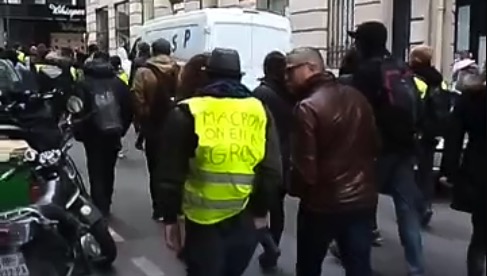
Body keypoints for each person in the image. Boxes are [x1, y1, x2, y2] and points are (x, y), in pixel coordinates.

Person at [155, 48, 281, 276]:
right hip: (245, 216)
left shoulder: (187, 111)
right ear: (239, 77)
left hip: (200, 221)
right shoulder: (259, 110)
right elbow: (272, 171)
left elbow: (169, 176)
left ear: (207, 75)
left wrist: (171, 219)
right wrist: (261, 210)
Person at [286, 47, 378, 276]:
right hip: (361, 200)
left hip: (321, 204)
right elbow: (375, 145)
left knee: (309, 266)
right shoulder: (358, 98)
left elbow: (305, 169)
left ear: (311, 68)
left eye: (290, 71)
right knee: (358, 266)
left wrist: (294, 188)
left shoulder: (307, 107)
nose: (286, 78)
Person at [350, 21, 425, 276]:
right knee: (407, 210)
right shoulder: (401, 66)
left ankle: (361, 265)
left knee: (361, 208)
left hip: (376, 149)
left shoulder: (365, 71)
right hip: (405, 147)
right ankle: (416, 268)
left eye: (357, 40)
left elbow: (357, 111)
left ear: (364, 42)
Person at [74, 51, 134, 217]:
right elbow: (129, 108)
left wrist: (79, 130)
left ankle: (99, 205)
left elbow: (77, 108)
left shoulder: (84, 84)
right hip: (113, 132)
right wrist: (122, 129)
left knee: (95, 169)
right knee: (109, 169)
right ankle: (106, 201)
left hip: (92, 134)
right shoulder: (119, 84)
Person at [441, 68, 486, 276]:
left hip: (479, 171)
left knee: (480, 237)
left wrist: (449, 170)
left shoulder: (472, 98)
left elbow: (453, 138)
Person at [252, 51, 294, 271]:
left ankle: (268, 246)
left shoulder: (260, 93)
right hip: (286, 158)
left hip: (264, 157)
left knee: (257, 209)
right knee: (277, 210)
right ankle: (272, 249)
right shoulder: (290, 92)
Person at [131, 38, 180, 221]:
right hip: (177, 125)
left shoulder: (143, 72)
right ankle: (175, 207)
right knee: (175, 166)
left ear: (152, 51)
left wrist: (143, 119)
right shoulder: (179, 70)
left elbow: (137, 98)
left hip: (154, 126)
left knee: (155, 168)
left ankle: (159, 208)